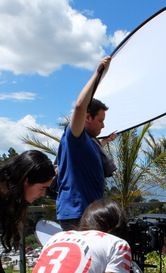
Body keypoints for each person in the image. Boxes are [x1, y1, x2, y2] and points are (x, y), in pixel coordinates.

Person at [54, 56, 119, 230]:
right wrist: (98, 73)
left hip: (89, 213)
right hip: (77, 214)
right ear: (87, 117)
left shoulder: (90, 143)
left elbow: (90, 156)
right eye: (100, 120)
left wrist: (106, 140)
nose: (103, 126)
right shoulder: (74, 137)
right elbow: (79, 106)